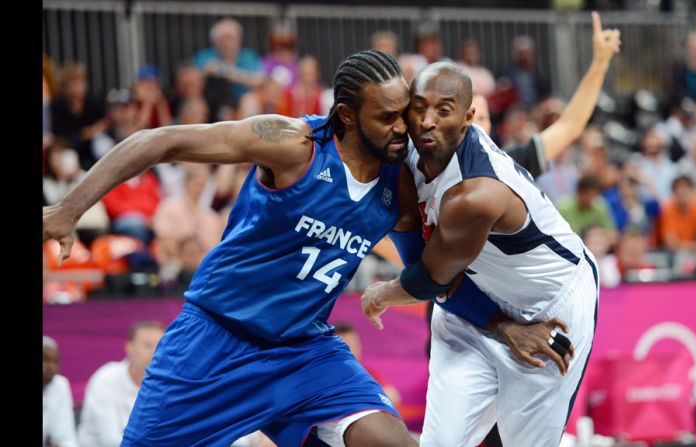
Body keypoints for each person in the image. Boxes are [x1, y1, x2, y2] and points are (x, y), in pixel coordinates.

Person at [45, 49, 422, 447]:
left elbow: (431, 268)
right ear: (347, 114)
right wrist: (68, 209)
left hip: (305, 350)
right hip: (215, 341)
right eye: (386, 117)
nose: (402, 127)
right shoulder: (295, 145)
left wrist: (392, 292)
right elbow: (160, 141)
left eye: (404, 113)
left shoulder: (400, 181)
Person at [361, 12, 620, 446]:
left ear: (470, 118)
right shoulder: (411, 152)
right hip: (466, 297)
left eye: (444, 111)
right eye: (419, 108)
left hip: (548, 306)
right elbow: (423, 271)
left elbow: (424, 278)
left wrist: (382, 294)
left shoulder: (478, 192)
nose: (427, 121)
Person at [77, 321, 166, 447]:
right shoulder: (105, 379)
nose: (154, 353)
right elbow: (111, 440)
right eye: (147, 345)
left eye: (160, 346)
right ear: (129, 347)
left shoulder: (168, 386)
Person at [43, 336, 78, 447]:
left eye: (55, 361)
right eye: (45, 360)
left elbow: (67, 437)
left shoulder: (61, 385)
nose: (50, 366)